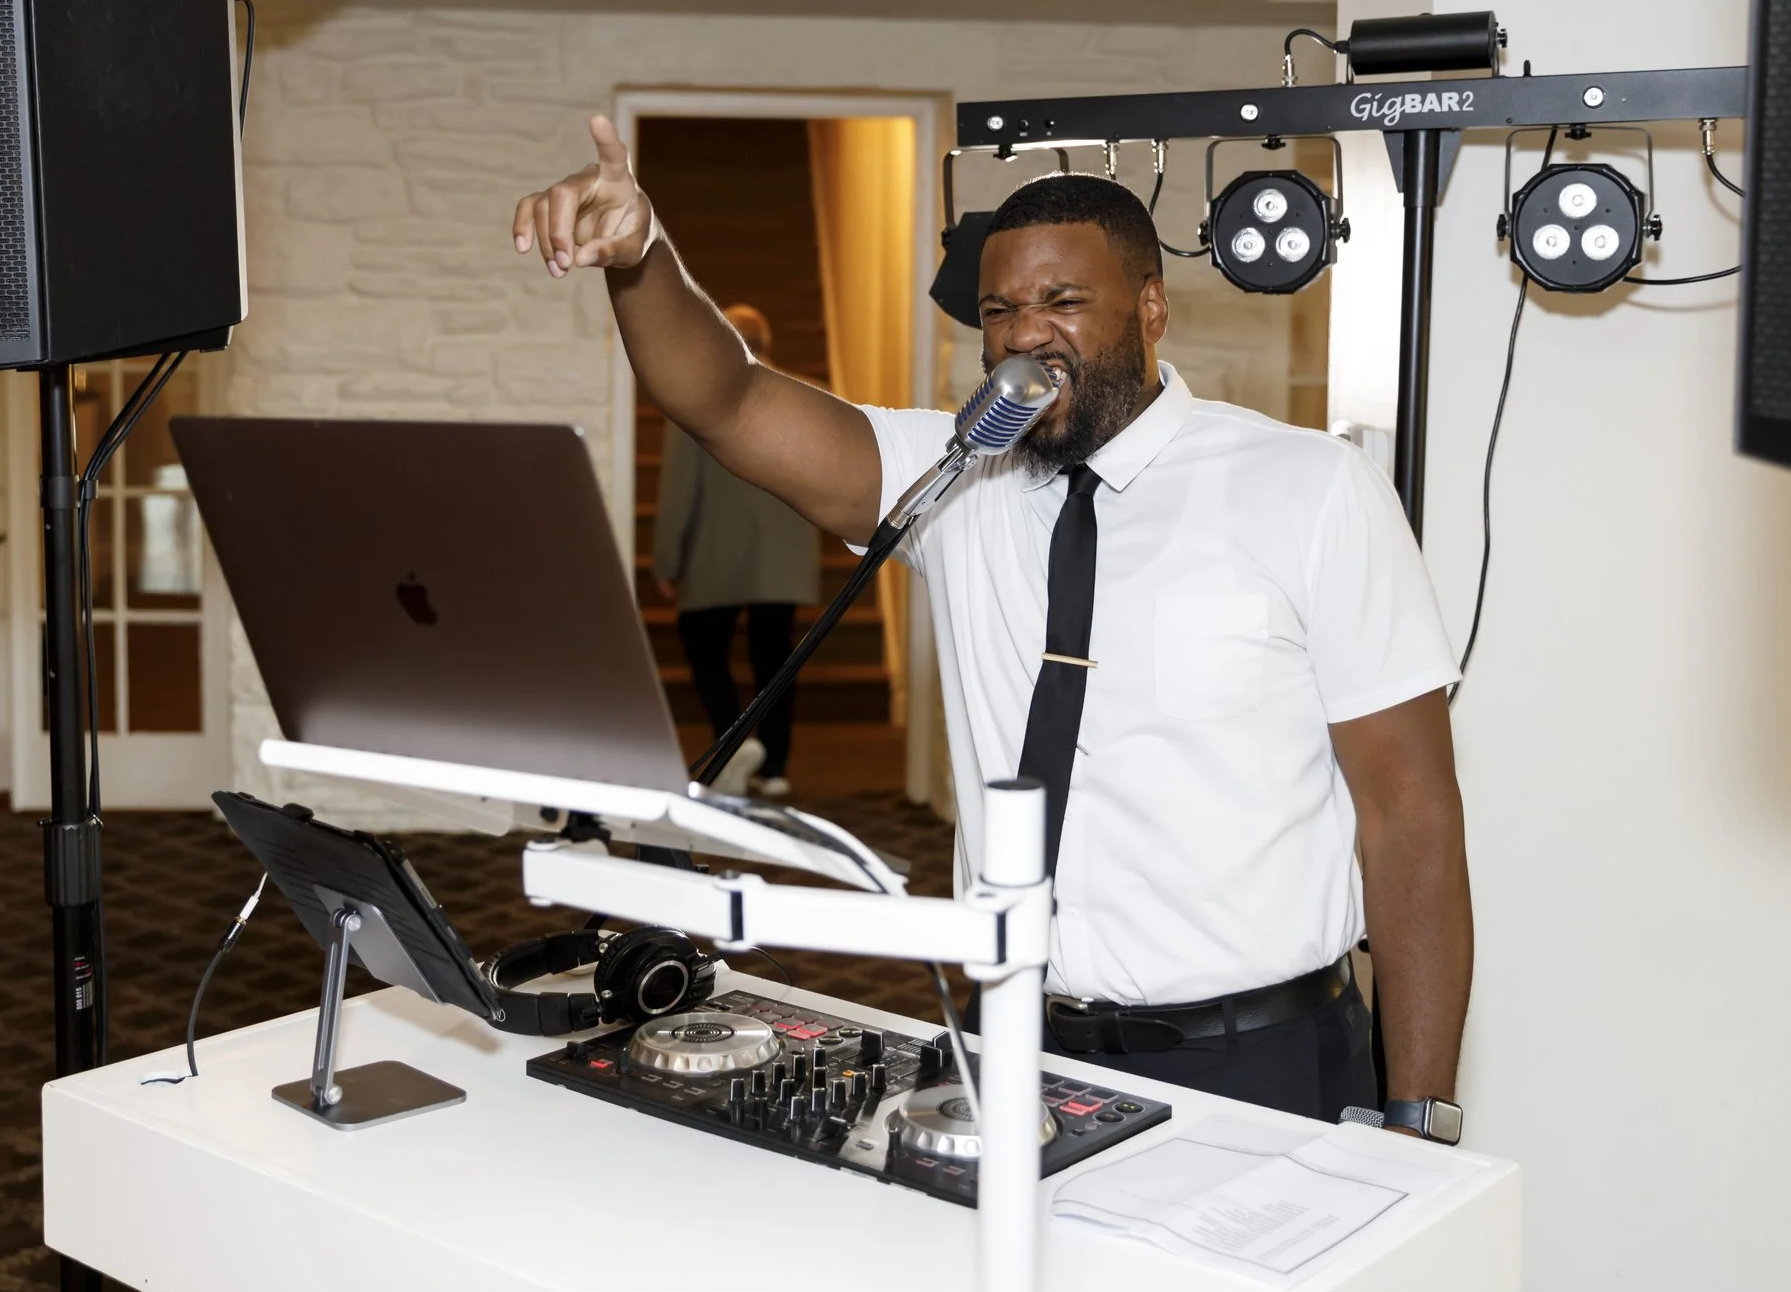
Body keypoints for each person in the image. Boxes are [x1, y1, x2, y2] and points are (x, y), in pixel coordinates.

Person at [511, 116, 1473, 1135]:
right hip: (1009, 1043)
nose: (1024, 333)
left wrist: (1417, 1115)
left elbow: (1411, 814)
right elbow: (728, 399)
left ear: (1150, 309)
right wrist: (642, 257)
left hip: (1259, 1054)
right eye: (1000, 309)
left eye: (1063, 301)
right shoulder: (950, 476)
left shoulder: (1311, 488)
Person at [652, 304, 821, 798]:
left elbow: (680, 489)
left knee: (703, 647)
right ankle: (776, 768)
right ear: (767, 340)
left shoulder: (694, 394)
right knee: (775, 659)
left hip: (714, 552)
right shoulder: (809, 395)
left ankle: (732, 738)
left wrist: (668, 559)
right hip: (783, 556)